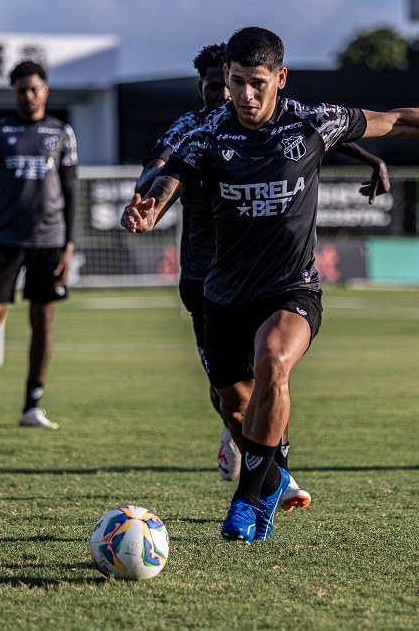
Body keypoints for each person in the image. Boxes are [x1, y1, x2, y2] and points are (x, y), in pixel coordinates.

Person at [122, 26, 419, 543]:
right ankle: (271, 478)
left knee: (273, 363)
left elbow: (399, 120)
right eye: (235, 82)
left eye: (256, 83)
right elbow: (171, 177)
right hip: (223, 295)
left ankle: (248, 498)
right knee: (234, 405)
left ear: (280, 78)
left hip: (290, 289)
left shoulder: (312, 122)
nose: (245, 95)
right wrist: (150, 206)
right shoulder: (207, 135)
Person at [137, 44, 390, 513]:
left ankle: (271, 478)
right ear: (206, 88)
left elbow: (325, 132)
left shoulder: (277, 123)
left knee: (271, 370)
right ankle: (268, 469)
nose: (232, 94)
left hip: (270, 274)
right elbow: (158, 171)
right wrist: (147, 198)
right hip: (205, 276)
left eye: (243, 83)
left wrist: (369, 159)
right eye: (221, 85)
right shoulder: (193, 131)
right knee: (228, 393)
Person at [0, 60, 78, 432]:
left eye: (35, 88)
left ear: (46, 90)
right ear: (15, 93)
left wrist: (69, 245)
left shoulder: (61, 134)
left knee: (43, 322)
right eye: (22, 90)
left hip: (49, 242)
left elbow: (71, 192)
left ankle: (32, 405)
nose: (28, 95)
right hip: (4, 241)